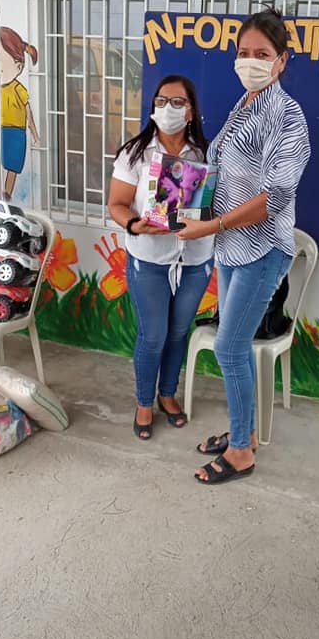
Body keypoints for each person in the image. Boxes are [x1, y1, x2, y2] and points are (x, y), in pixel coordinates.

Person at [177, 8, 311, 484]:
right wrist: (184, 206)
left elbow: (274, 199)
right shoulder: (245, 104)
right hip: (232, 247)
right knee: (233, 346)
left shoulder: (287, 117)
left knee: (231, 348)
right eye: (244, 52)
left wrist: (209, 227)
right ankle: (244, 433)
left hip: (263, 248)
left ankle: (241, 453)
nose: (251, 61)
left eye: (262, 54)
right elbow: (223, 171)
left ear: (281, 61)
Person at [108, 75, 214, 440]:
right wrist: (134, 224)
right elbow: (117, 204)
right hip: (150, 258)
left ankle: (167, 394)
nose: (168, 109)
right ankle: (143, 402)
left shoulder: (206, 155)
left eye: (178, 102)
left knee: (179, 332)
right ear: (153, 107)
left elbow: (215, 205)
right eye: (161, 101)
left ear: (191, 112)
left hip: (195, 260)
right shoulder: (135, 154)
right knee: (153, 335)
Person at [0, 26, 40, 200]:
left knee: (13, 166)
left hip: (17, 131)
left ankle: (7, 194)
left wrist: (35, 134)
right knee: (3, 162)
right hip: (3, 129)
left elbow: (28, 112)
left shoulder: (18, 88)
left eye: (3, 64)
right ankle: (3, 193)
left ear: (18, 65)